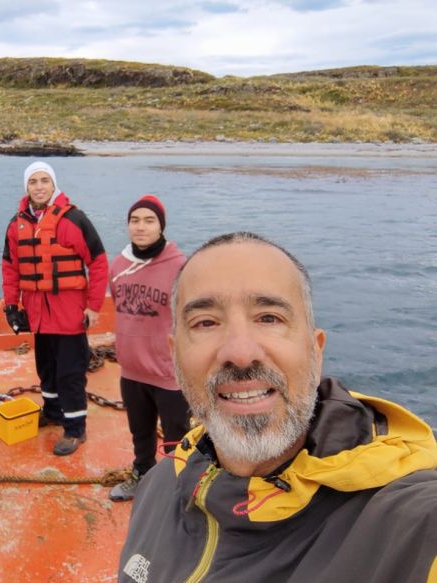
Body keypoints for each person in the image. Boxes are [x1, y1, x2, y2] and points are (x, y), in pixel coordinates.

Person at [118, 231, 437, 583]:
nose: (240, 353)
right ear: (175, 356)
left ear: (316, 351)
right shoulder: (158, 487)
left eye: (269, 318)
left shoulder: (410, 526)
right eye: (205, 322)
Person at [1, 161, 108, 455]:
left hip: (69, 313)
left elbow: (97, 262)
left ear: (53, 184)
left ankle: (75, 429)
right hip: (37, 314)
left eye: (44, 181)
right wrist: (11, 305)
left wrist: (94, 306)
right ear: (26, 187)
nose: (39, 187)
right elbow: (10, 267)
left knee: (70, 372)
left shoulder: (74, 219)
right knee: (45, 367)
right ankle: (52, 411)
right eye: (33, 182)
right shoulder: (16, 224)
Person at [108, 195, 191, 502]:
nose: (140, 227)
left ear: (161, 226)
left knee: (176, 438)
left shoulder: (179, 267)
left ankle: (177, 491)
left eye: (148, 220)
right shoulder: (118, 265)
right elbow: (118, 304)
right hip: (131, 371)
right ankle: (142, 476)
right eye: (134, 220)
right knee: (140, 434)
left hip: (167, 373)